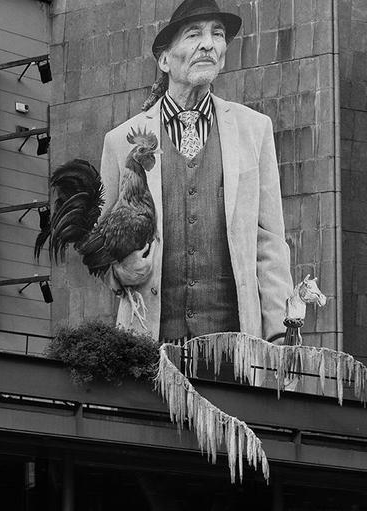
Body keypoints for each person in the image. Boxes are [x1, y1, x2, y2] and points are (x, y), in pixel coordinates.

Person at [99, 0, 294, 342]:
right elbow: (99, 239)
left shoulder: (255, 129)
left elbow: (270, 241)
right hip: (149, 341)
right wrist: (118, 271)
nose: (209, 43)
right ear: (164, 59)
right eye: (194, 34)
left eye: (217, 34)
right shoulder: (119, 141)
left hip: (235, 344)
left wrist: (279, 332)